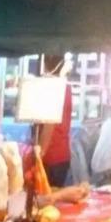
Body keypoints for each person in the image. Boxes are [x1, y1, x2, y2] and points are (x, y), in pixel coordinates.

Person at [38, 55, 73, 187]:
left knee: (46, 196)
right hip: (62, 154)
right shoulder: (65, 86)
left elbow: (49, 124)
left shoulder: (53, 88)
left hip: (51, 157)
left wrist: (39, 155)